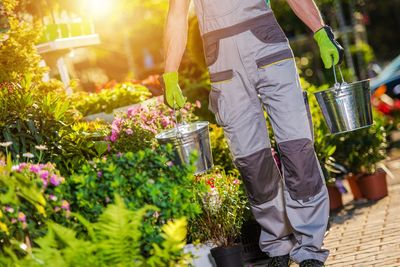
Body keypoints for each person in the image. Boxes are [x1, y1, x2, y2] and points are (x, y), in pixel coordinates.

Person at [161, 1, 344, 266]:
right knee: (252, 162)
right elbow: (177, 15)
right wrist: (169, 71)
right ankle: (278, 246)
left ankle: (310, 250)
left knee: (298, 149)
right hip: (223, 63)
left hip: (268, 48)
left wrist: (320, 31)